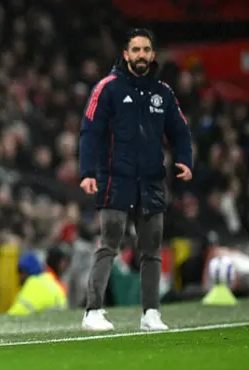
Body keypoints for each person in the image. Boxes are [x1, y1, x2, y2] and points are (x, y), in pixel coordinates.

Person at [78, 28, 192, 332]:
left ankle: (151, 313)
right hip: (116, 178)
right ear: (126, 54)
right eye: (136, 50)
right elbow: (90, 130)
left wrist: (185, 159)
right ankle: (92, 311)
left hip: (152, 182)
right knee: (109, 244)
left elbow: (179, 130)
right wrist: (87, 172)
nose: (141, 55)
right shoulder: (107, 88)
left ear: (152, 55)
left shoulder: (163, 92)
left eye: (146, 50)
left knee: (151, 250)